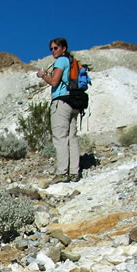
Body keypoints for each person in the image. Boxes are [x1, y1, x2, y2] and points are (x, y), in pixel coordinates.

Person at [37, 37, 80, 182]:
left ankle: (62, 172)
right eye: (51, 49)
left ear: (63, 48)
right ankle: (74, 172)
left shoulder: (61, 61)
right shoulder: (71, 61)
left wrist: (43, 75)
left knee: (60, 137)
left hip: (61, 102)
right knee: (72, 137)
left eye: (56, 48)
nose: (53, 51)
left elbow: (54, 81)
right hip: (73, 102)